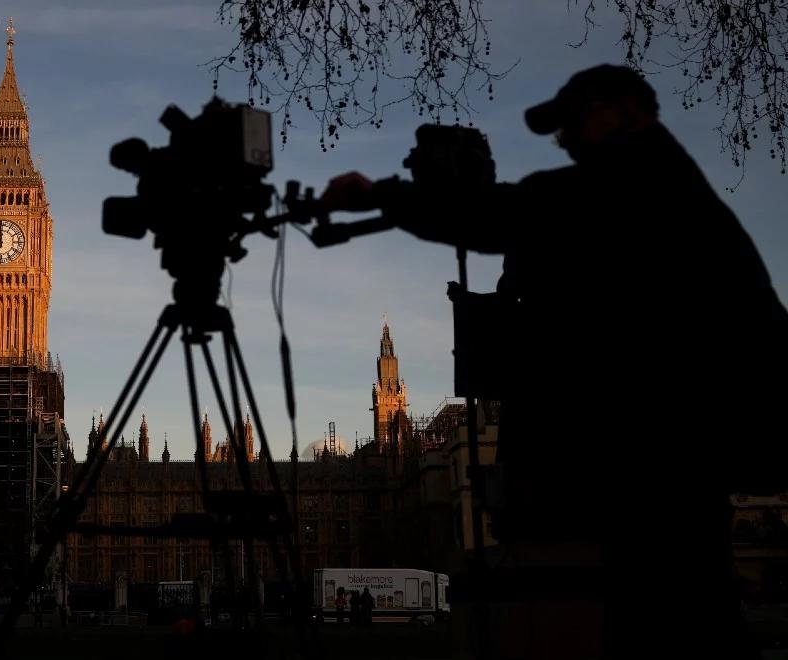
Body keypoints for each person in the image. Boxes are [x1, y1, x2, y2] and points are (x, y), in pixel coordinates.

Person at [322, 64, 787, 658]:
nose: (564, 139)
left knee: (673, 609)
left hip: (686, 435)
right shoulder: (642, 188)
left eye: (574, 123)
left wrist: (377, 194)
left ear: (627, 112)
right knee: (664, 603)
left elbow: (507, 212)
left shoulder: (642, 181)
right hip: (689, 435)